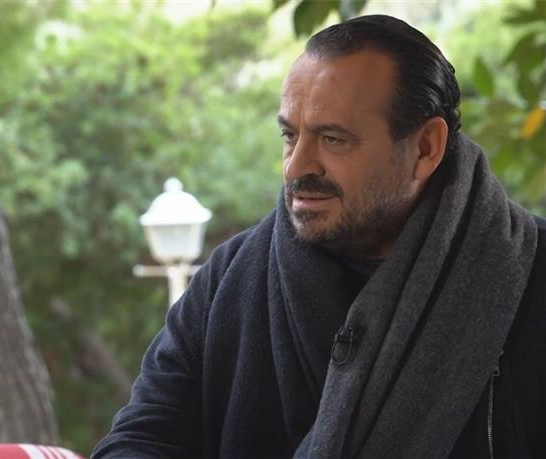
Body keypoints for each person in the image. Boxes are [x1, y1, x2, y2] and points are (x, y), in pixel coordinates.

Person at [92, 15, 545, 458]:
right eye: (290, 136)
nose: (297, 166)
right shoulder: (227, 280)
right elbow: (140, 439)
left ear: (426, 148)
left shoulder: (531, 273)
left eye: (333, 139)